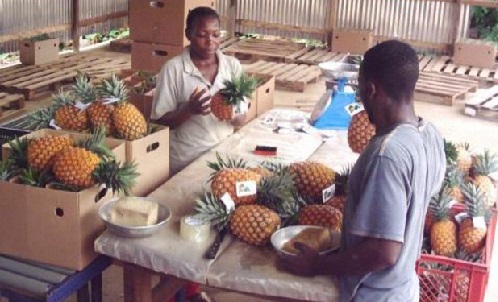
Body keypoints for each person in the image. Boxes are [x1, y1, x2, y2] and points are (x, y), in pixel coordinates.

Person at [279, 40, 446, 301]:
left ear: (370, 90)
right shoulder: (430, 134)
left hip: (376, 294)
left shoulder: (387, 154)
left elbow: (383, 252)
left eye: (359, 89)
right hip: (403, 288)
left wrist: (317, 265)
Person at [151, 6, 245, 176]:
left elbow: (242, 118)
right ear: (189, 35)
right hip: (186, 161)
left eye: (216, 35)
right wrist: (188, 110)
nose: (210, 41)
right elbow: (159, 123)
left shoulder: (232, 66)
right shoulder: (173, 69)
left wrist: (232, 114)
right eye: (202, 35)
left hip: (224, 158)